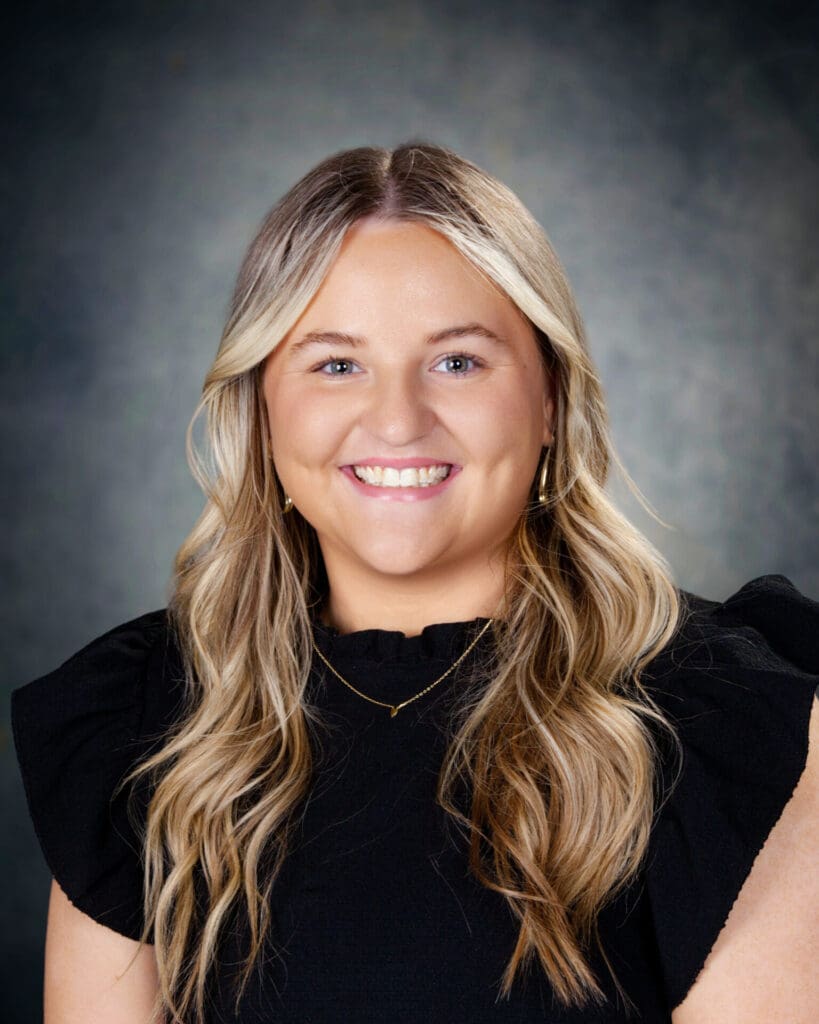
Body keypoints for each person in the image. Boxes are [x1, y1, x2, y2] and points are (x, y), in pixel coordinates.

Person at [11, 142, 819, 1024]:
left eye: (458, 361)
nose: (397, 419)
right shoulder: (142, 725)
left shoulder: (731, 725)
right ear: (261, 411)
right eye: (335, 363)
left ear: (549, 399)